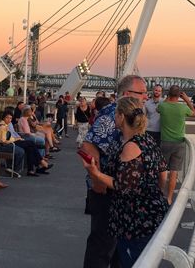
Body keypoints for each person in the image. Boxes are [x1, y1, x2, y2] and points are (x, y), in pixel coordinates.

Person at [82, 96, 168, 267]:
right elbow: (163, 174)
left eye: (116, 114)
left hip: (134, 220)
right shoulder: (148, 140)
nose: (114, 118)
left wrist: (95, 173)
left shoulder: (130, 147)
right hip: (149, 215)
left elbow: (121, 185)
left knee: (131, 260)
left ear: (122, 117)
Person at [81, 74, 148, 267]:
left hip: (119, 190)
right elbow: (89, 145)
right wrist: (99, 180)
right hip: (107, 191)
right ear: (127, 94)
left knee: (117, 245)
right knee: (102, 245)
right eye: (142, 93)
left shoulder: (131, 115)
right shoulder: (112, 114)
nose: (146, 97)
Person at [157, 85, 195, 205]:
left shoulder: (163, 106)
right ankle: (169, 198)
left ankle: (160, 195)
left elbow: (158, 109)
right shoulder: (183, 108)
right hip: (179, 143)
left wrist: (167, 97)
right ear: (179, 95)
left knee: (162, 170)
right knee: (174, 172)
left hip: (165, 142)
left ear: (168, 94)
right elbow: (194, 113)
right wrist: (187, 100)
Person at [0, 110, 49, 176]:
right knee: (29, 145)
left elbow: (9, 137)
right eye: (7, 118)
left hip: (10, 142)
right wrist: (16, 139)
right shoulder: (3, 127)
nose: (9, 120)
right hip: (3, 145)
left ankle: (31, 170)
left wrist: (17, 138)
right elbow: (3, 141)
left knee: (30, 148)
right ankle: (40, 162)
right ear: (3, 118)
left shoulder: (6, 125)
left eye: (10, 118)